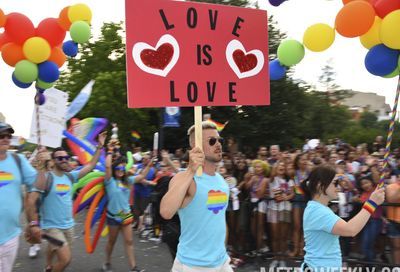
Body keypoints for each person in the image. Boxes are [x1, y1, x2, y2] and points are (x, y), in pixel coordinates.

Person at [26, 131, 107, 272]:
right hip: (51, 228)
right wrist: (33, 224)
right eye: (59, 158)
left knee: (53, 248)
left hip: (68, 225)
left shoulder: (71, 177)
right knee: (65, 259)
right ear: (53, 161)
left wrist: (99, 146)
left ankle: (48, 264)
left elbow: (90, 166)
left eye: (66, 157)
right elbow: (31, 201)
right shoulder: (45, 178)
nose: (64, 160)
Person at [160, 121, 233, 272]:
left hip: (222, 262)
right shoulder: (186, 179)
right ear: (196, 147)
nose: (218, 144)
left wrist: (222, 251)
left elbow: (219, 218)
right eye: (212, 141)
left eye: (220, 140)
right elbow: (166, 212)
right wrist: (190, 170)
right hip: (192, 265)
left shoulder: (221, 181)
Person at [301, 165, 385, 271]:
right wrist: (372, 203)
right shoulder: (318, 211)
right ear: (319, 185)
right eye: (335, 183)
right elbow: (350, 230)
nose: (338, 187)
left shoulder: (317, 208)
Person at [102, 139, 152, 272]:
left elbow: (141, 176)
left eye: (123, 167)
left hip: (125, 215)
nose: (120, 169)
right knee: (111, 242)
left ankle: (133, 267)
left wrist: (150, 164)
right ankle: (107, 262)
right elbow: (107, 166)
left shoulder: (128, 180)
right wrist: (110, 151)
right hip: (113, 216)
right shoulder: (109, 181)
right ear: (114, 169)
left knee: (129, 242)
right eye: (118, 167)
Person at [0, 122, 44, 272]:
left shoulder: (18, 160)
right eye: (1, 135)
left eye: (8, 135)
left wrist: (43, 166)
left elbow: (38, 184)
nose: (5, 139)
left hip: (10, 238)